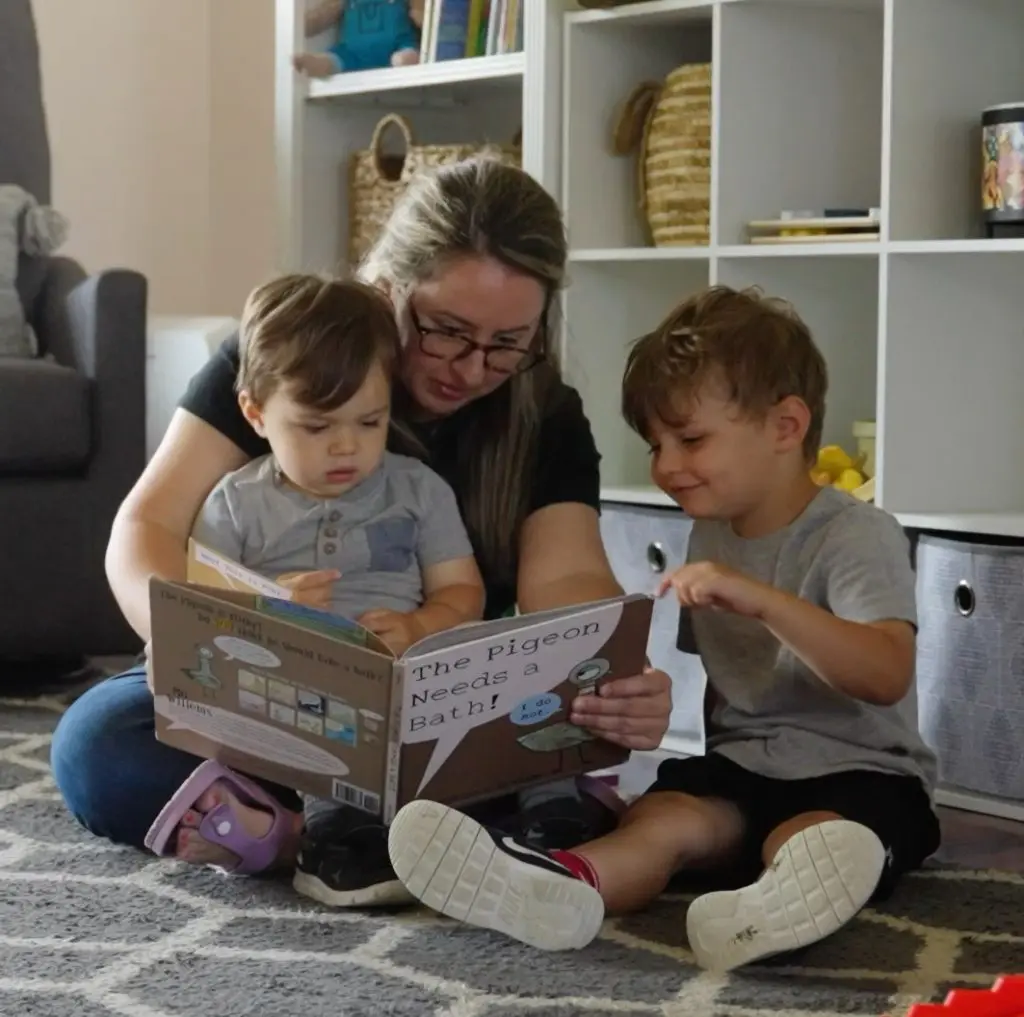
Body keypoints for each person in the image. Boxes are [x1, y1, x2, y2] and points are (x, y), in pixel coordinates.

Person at [50, 157, 673, 903]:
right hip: (264, 695)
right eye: (446, 331)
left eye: (510, 341)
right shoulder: (288, 356)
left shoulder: (544, 413)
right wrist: (198, 648)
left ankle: (346, 833)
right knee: (96, 742)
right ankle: (359, 835)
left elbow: (565, 580)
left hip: (438, 709)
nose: (474, 368)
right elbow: (148, 524)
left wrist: (611, 673)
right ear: (388, 292)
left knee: (554, 754)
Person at [382, 284, 941, 967]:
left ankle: (775, 904)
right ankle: (555, 884)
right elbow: (722, 688)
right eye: (656, 444)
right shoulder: (711, 535)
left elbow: (885, 673)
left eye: (691, 439)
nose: (666, 466)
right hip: (744, 765)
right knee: (659, 818)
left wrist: (763, 600)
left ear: (785, 427)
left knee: (813, 837)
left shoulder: (857, 533)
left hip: (863, 772)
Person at [141, 274, 485, 905]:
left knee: (479, 722)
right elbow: (204, 611)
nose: (347, 446)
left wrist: (419, 625)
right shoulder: (237, 503)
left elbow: (463, 593)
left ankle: (525, 818)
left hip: (401, 680)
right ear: (255, 413)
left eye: (370, 420)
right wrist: (268, 607)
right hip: (290, 690)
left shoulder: (418, 491)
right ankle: (334, 841)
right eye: (316, 426)